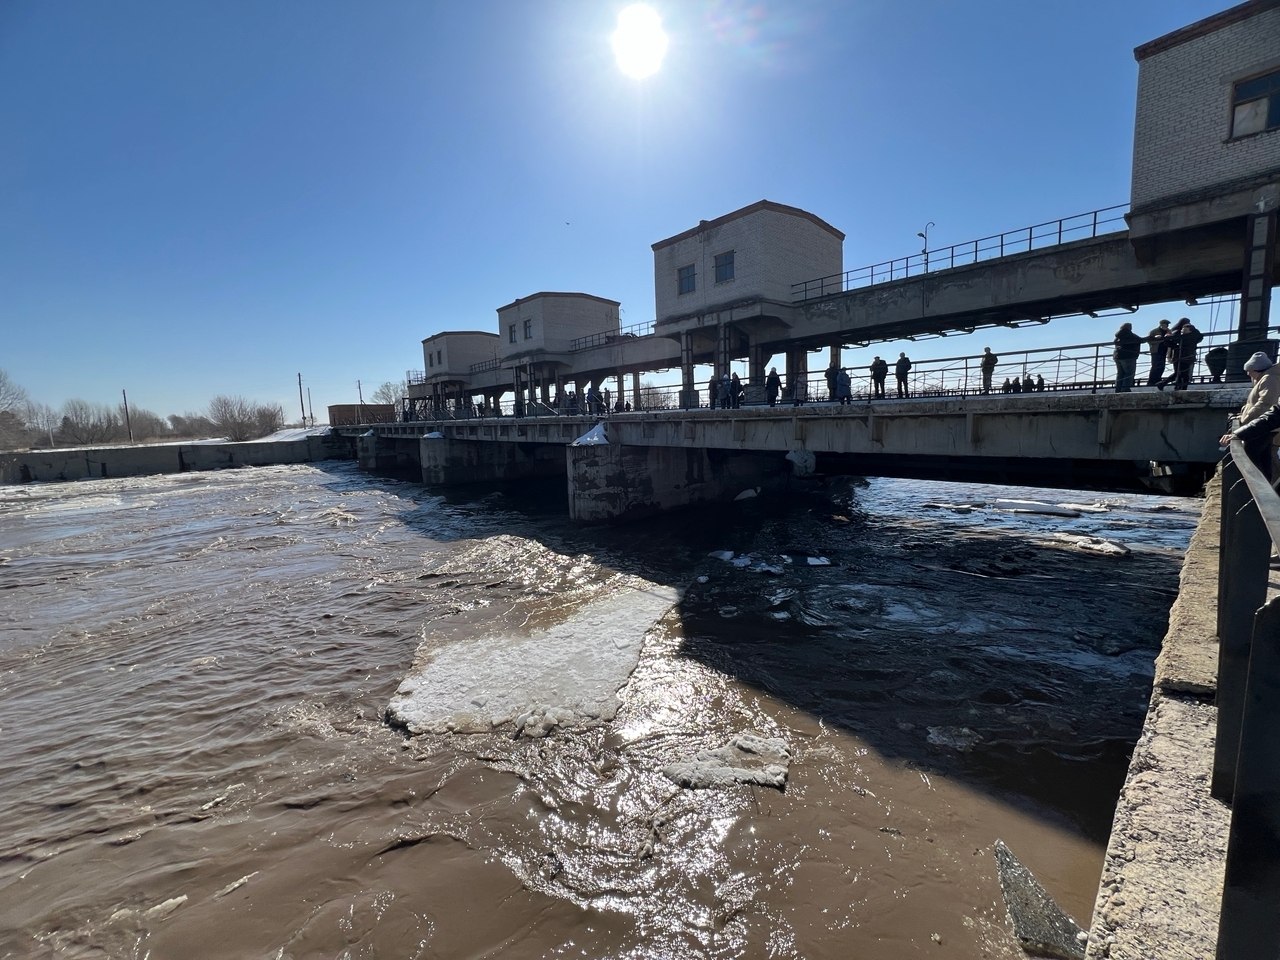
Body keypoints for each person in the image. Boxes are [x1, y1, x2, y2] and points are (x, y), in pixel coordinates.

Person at [1219, 351, 1280, 478]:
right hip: (1262, 426)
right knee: (1263, 459)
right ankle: (1265, 487)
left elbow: (1264, 405)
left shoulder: (1269, 379)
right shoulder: (1265, 378)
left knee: (1255, 458)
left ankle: (1260, 490)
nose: (1248, 373)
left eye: (1249, 370)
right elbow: (1254, 404)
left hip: (1263, 428)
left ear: (1256, 369)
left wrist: (1245, 421)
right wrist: (1242, 417)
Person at [1159, 317, 1203, 390]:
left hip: (1183, 356)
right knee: (1181, 373)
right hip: (1182, 356)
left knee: (1181, 373)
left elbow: (1199, 337)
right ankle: (1176, 386)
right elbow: (1170, 343)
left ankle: (1167, 384)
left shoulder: (1189, 334)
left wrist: (1169, 338)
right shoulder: (1179, 333)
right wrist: (1168, 339)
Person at [1113, 321, 1142, 392]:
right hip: (1128, 356)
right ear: (1129, 328)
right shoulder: (1128, 333)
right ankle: (1125, 389)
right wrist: (1150, 337)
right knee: (1129, 373)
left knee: (1120, 373)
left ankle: (1118, 388)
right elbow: (1139, 340)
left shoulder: (1118, 336)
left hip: (1117, 356)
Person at [1146, 319, 1171, 386]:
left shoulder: (1169, 331)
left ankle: (1158, 379)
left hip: (1164, 351)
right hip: (1156, 351)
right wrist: (1159, 340)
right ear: (1161, 324)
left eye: (1167, 324)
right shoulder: (1154, 331)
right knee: (1155, 366)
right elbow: (1149, 341)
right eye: (1165, 324)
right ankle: (1151, 381)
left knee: (1162, 366)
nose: (1166, 325)